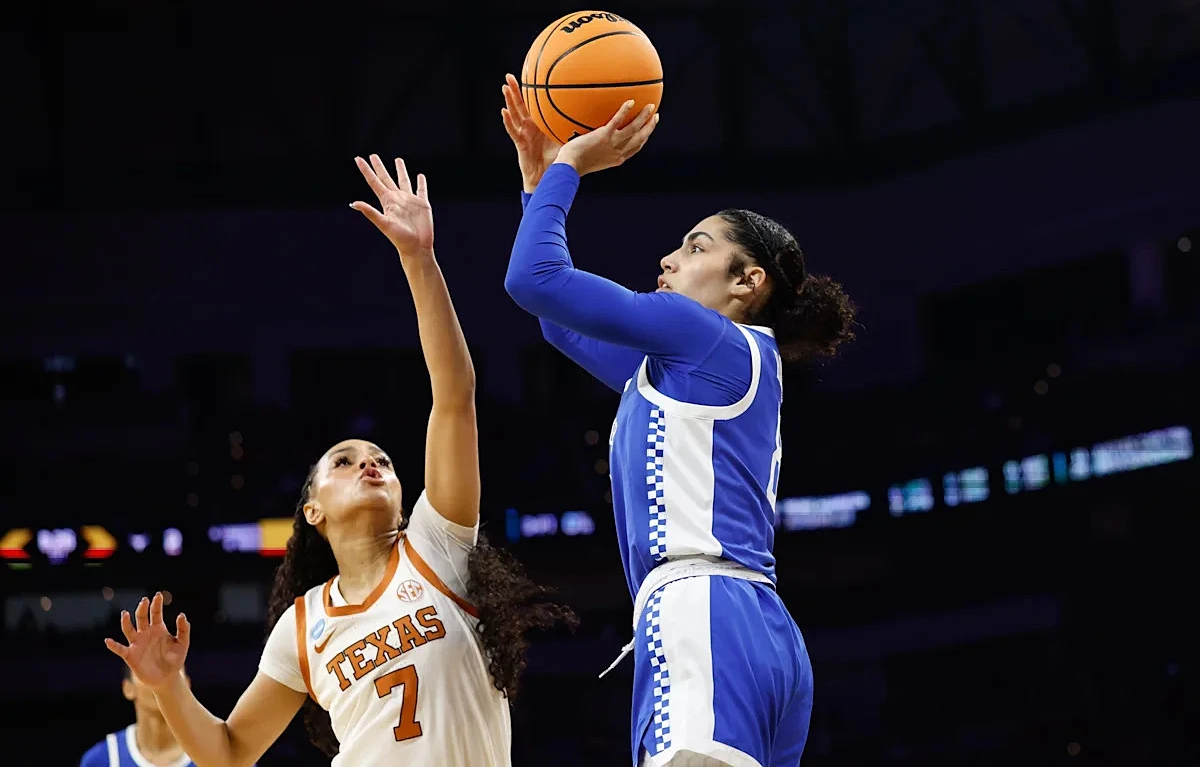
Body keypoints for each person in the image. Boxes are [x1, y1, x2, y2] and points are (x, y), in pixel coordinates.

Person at [104, 155, 576, 766]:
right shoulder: (303, 627)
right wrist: (169, 686)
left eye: (381, 460)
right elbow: (230, 752)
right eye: (344, 462)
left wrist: (419, 260)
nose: (368, 465)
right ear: (313, 511)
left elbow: (454, 394)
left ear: (405, 500)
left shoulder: (436, 544)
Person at [501, 74, 856, 767]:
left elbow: (531, 280)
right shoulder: (710, 363)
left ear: (747, 281)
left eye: (696, 247)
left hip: (703, 611)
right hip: (762, 628)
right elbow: (556, 323)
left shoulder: (701, 335)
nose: (668, 258)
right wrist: (537, 184)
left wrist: (571, 164)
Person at [80, 664, 198, 767]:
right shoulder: (102, 759)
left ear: (187, 685)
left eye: (170, 669)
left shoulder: (208, 748)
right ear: (128, 688)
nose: (161, 681)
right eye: (149, 670)